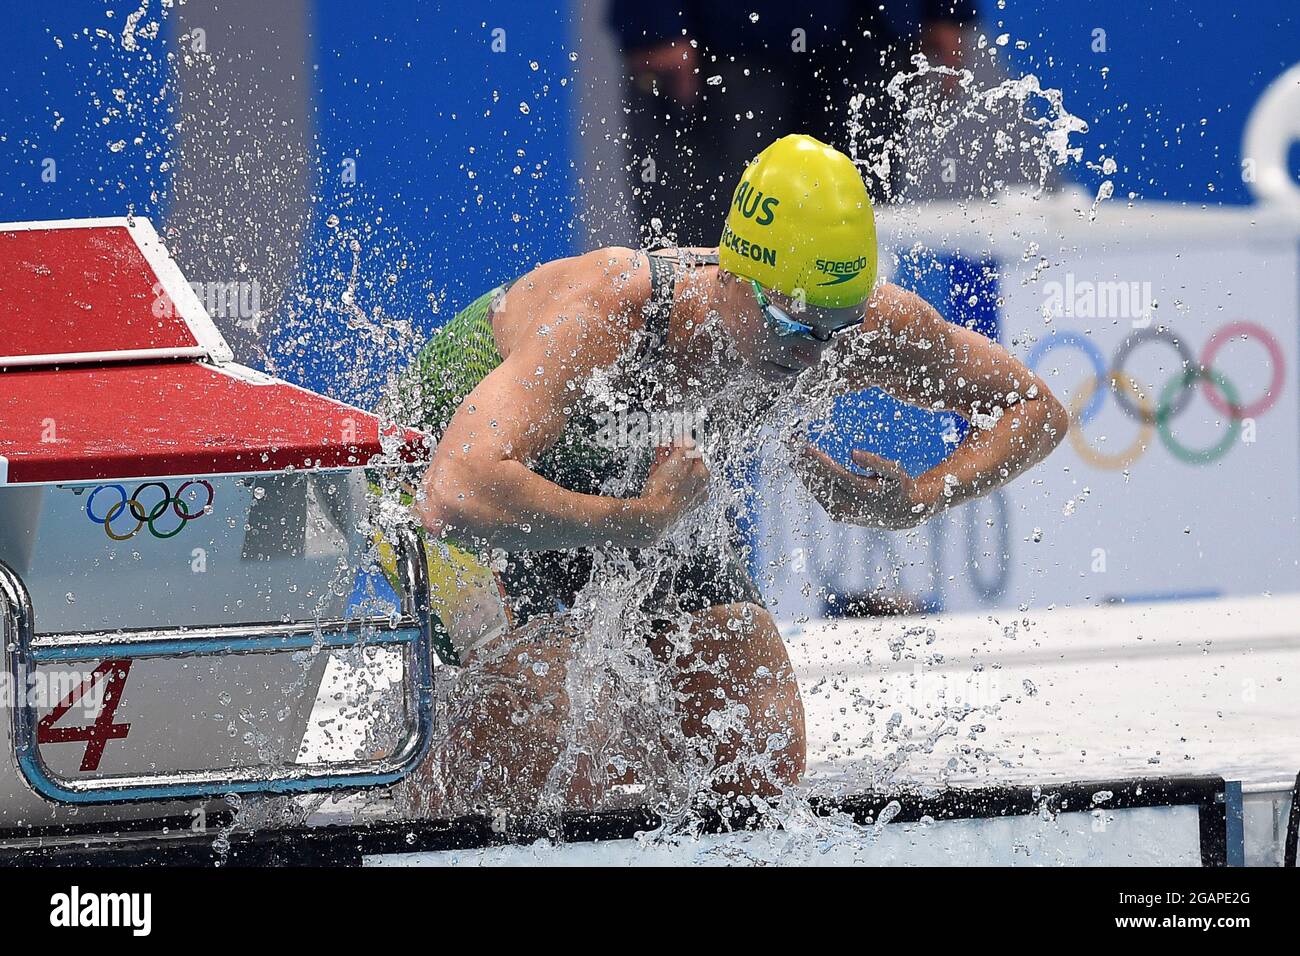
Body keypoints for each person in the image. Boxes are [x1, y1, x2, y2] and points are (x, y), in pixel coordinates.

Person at [401, 134, 1067, 802]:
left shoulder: (849, 330)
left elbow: (1033, 408)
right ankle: (409, 804)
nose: (813, 354)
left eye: (835, 328)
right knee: (551, 734)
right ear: (730, 277)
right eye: (790, 324)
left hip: (634, 503)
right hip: (437, 497)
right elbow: (453, 495)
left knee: (756, 750)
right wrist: (639, 522)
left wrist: (916, 500)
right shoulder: (611, 308)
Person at [606, 1, 980, 243]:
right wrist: (650, 18)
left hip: (868, 35)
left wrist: (947, 8)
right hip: (726, 39)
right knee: (707, 264)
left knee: (850, 269)